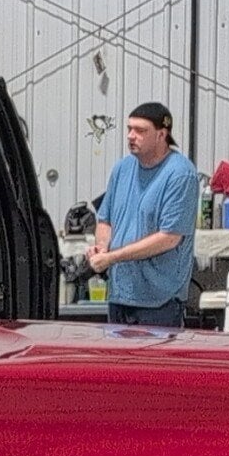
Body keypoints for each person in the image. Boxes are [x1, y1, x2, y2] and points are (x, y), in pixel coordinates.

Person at [87, 101, 201, 330]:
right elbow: (105, 219)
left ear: (161, 134)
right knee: (119, 364)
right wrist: (101, 248)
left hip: (160, 300)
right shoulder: (122, 168)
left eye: (140, 131)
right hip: (120, 294)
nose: (131, 136)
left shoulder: (180, 174)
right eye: (129, 129)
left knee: (155, 365)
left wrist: (112, 258)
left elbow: (170, 238)